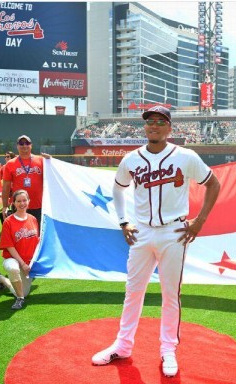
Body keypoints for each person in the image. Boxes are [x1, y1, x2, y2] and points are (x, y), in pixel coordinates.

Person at [91, 105, 221, 377]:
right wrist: (123, 221)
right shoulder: (131, 159)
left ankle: (168, 350)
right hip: (142, 232)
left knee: (170, 295)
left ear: (169, 127)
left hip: (174, 231)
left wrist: (199, 221)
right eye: (149, 121)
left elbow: (213, 183)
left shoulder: (186, 156)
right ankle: (123, 345)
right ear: (145, 127)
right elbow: (117, 187)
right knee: (133, 291)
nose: (154, 125)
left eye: (160, 121)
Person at [0, 190, 40, 310]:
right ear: (13, 203)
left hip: (28, 262)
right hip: (12, 259)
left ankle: (1, 278)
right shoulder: (8, 222)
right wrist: (23, 264)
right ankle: (20, 300)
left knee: (23, 291)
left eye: (24, 200)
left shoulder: (33, 219)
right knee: (13, 269)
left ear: (29, 201)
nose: (22, 203)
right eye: (18, 201)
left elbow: (36, 240)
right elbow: (9, 246)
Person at [1, 135, 51, 225]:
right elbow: (6, 187)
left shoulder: (41, 161)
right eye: (21, 143)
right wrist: (4, 206)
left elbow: (53, 177)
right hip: (19, 206)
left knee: (37, 236)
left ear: (31, 145)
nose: (24, 145)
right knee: (20, 235)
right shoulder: (10, 164)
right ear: (17, 146)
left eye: (27, 143)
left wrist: (50, 161)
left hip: (38, 206)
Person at [0, 151, 16, 224]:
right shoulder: (3, 168)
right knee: (6, 213)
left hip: (16, 192)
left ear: (13, 158)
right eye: (5, 157)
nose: (6, 158)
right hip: (9, 192)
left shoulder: (16, 166)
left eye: (8, 156)